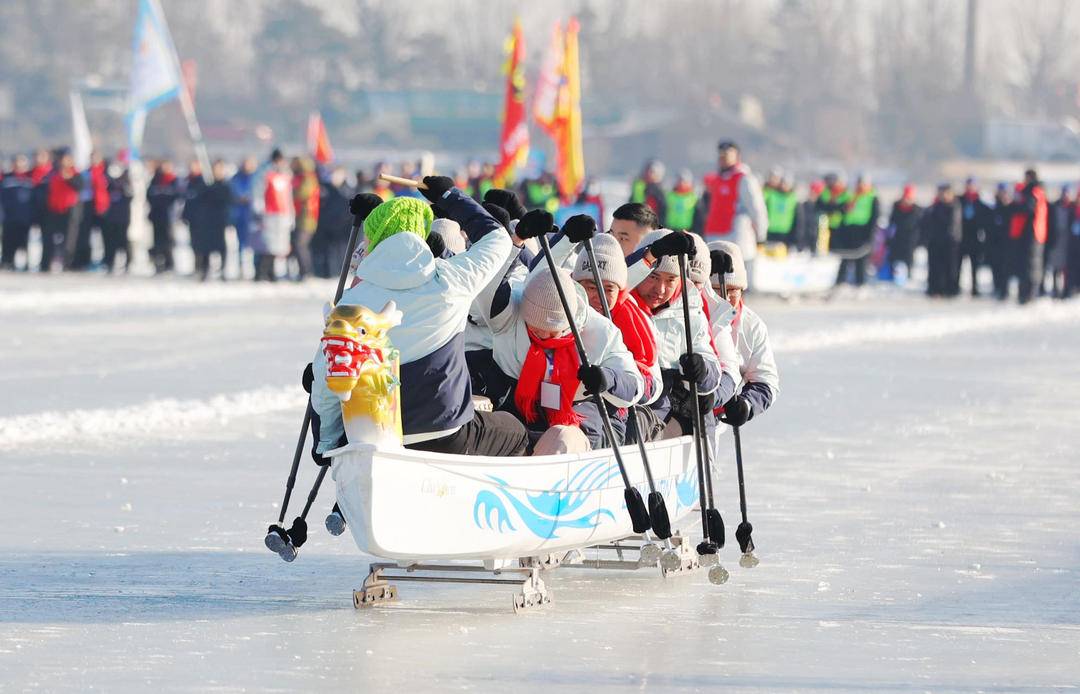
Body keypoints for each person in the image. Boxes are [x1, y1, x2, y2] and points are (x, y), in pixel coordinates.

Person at [310, 176, 528, 458]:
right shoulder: (451, 279)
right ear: (423, 235)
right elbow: (497, 238)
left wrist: (325, 443)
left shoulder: (351, 303)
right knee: (515, 430)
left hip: (372, 435)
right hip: (444, 432)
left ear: (373, 241)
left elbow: (324, 376)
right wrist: (449, 197)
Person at [480, 254, 644, 454]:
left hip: (583, 416)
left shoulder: (601, 331)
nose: (542, 335)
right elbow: (489, 286)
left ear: (568, 322)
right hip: (524, 409)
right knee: (490, 430)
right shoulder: (512, 314)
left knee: (560, 438)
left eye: (552, 330)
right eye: (534, 327)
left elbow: (636, 386)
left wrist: (606, 379)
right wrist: (515, 244)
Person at [625, 229, 737, 438]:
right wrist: (652, 254)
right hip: (626, 400)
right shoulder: (621, 300)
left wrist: (702, 370)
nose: (660, 289)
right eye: (653, 276)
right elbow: (617, 281)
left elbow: (720, 370)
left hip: (662, 410)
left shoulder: (689, 310)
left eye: (670, 280)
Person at [707, 241, 779, 427]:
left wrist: (746, 405)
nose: (724, 297)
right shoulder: (689, 315)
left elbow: (765, 381)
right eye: (715, 290)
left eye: (733, 291)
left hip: (716, 419)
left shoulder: (751, 325)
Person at [698, 140, 768, 286]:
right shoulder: (716, 179)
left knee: (735, 278)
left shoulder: (744, 179)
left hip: (736, 234)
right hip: (715, 232)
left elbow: (757, 208)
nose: (722, 158)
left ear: (736, 156)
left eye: (727, 154)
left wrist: (761, 234)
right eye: (721, 155)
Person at [1009, 169, 1048, 305]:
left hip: (1032, 234)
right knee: (1028, 265)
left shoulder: (1033, 192)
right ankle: (1027, 294)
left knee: (1030, 266)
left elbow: (1027, 208)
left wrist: (1017, 201)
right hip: (1032, 234)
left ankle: (1028, 295)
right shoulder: (1038, 191)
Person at [833, 173, 878, 288]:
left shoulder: (872, 198)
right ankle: (840, 282)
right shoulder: (851, 196)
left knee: (860, 260)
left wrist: (870, 235)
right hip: (848, 231)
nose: (860, 186)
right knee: (845, 258)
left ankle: (860, 283)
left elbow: (874, 218)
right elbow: (841, 211)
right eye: (859, 183)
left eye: (863, 184)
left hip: (862, 231)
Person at [41, 150, 82, 272]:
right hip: (53, 209)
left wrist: (69, 178)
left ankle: (67, 264)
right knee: (50, 238)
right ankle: (46, 264)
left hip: (70, 210)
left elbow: (79, 187)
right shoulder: (52, 173)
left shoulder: (76, 174)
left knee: (69, 239)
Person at [256, 149, 294, 281]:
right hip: (269, 213)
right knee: (267, 245)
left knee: (280, 247)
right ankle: (262, 272)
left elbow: (289, 197)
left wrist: (291, 214)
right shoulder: (265, 174)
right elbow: (258, 192)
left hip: (283, 214)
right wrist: (258, 209)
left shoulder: (286, 175)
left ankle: (273, 273)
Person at [192, 160, 233, 281]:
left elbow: (226, 199)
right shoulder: (204, 184)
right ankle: (205, 270)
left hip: (220, 220)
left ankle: (223, 270)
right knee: (206, 247)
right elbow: (200, 199)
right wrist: (208, 187)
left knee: (221, 246)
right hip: (207, 220)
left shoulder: (225, 186)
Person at [69, 152, 110, 271]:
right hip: (87, 204)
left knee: (105, 235)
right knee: (84, 235)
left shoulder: (106, 172)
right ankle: (83, 260)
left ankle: (107, 260)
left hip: (102, 206)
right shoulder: (86, 173)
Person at [311, 167, 354, 279]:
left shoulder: (347, 190)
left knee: (340, 251)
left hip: (342, 226)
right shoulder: (326, 188)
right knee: (325, 250)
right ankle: (325, 272)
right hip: (326, 224)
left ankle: (337, 272)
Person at [923, 183, 961, 298]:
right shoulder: (934, 207)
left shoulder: (954, 206)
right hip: (935, 242)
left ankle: (950, 290)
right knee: (935, 267)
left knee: (950, 268)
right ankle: (934, 289)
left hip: (950, 243)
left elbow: (952, 226)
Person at [0, 154, 35, 270]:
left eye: (22, 162)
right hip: (9, 217)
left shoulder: (30, 178)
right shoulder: (7, 178)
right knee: (8, 242)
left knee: (24, 242)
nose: (19, 165)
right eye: (17, 162)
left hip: (25, 217)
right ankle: (7, 262)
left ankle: (26, 264)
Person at [958, 177, 991, 296]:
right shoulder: (960, 201)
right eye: (968, 185)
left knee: (975, 266)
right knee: (958, 265)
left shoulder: (980, 203)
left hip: (975, 238)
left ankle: (975, 288)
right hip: (962, 237)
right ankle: (956, 286)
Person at [146, 159, 179, 274]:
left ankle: (169, 263)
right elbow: (150, 195)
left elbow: (175, 197)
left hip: (168, 216)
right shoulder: (155, 180)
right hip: (157, 216)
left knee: (168, 241)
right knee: (157, 241)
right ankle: (158, 263)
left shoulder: (173, 180)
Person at [290, 156, 319, 281]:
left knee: (301, 244)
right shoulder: (302, 178)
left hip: (307, 217)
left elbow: (303, 194)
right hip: (300, 216)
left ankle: (306, 271)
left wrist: (291, 191)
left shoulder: (308, 178)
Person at [102, 162, 133, 274]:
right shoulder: (108, 185)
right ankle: (109, 262)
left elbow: (131, 196)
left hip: (123, 218)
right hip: (110, 218)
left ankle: (128, 262)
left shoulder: (126, 184)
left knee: (123, 241)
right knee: (110, 242)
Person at [887, 185, 922, 283]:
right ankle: (891, 276)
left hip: (910, 241)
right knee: (893, 259)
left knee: (908, 260)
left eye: (909, 197)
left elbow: (920, 226)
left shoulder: (917, 210)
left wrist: (918, 241)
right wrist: (889, 237)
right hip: (897, 239)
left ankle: (908, 277)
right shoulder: (896, 207)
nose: (907, 200)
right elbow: (891, 223)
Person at [230, 156, 258, 276]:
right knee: (241, 243)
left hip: (254, 216)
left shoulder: (257, 178)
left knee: (256, 244)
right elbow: (235, 193)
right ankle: (241, 268)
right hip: (240, 215)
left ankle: (256, 268)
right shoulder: (236, 178)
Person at [1043, 185, 1072, 299]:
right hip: (1055, 240)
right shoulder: (1054, 206)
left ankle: (1065, 289)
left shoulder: (1071, 207)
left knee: (1065, 268)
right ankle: (1055, 288)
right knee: (1055, 267)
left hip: (1067, 241)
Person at [987, 183, 1013, 300]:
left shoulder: (1012, 208)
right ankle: (997, 287)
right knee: (995, 267)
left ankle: (1004, 290)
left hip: (1007, 244)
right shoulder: (993, 208)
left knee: (1006, 268)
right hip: (994, 243)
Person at [763, 171, 799, 247]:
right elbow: (761, 199)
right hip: (770, 231)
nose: (784, 185)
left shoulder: (793, 198)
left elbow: (798, 219)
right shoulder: (771, 194)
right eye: (783, 183)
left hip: (786, 233)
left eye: (787, 184)